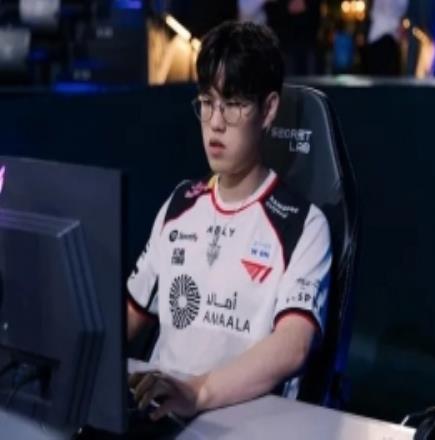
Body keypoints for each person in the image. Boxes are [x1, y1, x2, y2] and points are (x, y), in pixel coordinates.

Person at [127, 21, 332, 422]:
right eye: (207, 102)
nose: (215, 122)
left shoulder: (304, 226)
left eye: (234, 104)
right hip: (156, 417)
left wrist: (198, 392)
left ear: (268, 110)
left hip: (243, 424)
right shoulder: (179, 205)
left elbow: (294, 346)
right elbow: (127, 316)